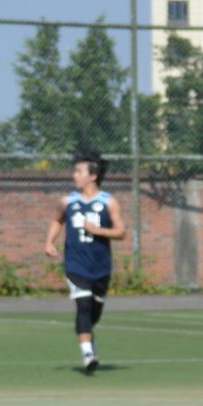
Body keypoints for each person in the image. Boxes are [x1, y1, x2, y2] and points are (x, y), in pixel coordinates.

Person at [42, 150, 126, 374]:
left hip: (100, 267)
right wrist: (49, 242)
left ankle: (88, 338)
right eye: (74, 171)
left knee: (94, 313)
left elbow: (121, 232)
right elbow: (57, 220)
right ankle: (88, 353)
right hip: (75, 265)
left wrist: (98, 230)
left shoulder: (109, 202)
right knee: (83, 305)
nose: (74, 175)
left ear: (93, 175)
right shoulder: (68, 201)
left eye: (79, 171)